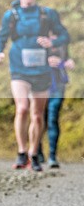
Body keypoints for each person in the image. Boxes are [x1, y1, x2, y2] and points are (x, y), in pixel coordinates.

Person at [0, 0, 69, 172]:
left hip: (42, 69)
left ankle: (34, 154)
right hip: (19, 68)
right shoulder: (11, 15)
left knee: (37, 115)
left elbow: (64, 35)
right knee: (23, 108)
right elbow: (1, 37)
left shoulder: (47, 14)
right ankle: (21, 152)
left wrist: (52, 42)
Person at [46, 34, 74, 169]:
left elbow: (68, 61)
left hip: (58, 86)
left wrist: (64, 63)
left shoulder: (62, 43)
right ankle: (37, 152)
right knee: (39, 119)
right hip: (39, 85)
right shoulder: (35, 39)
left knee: (52, 118)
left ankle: (52, 155)